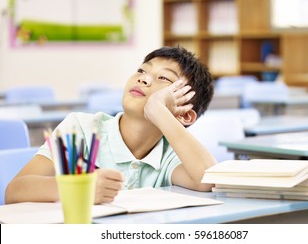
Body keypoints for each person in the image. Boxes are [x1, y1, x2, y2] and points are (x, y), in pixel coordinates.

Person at [5, 46, 216, 204]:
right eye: (142, 70)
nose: (144, 79)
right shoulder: (82, 128)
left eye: (163, 78)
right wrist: (80, 189)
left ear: (185, 116)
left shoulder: (170, 154)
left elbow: (208, 179)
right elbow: (15, 191)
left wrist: (159, 110)